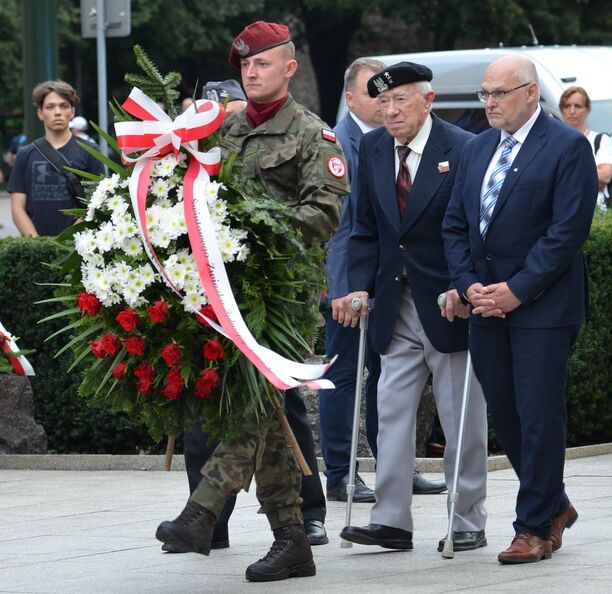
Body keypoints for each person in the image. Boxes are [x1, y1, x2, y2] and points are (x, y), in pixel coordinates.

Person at [156, 21, 347, 582]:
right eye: (244, 65)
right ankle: (292, 539)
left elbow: (324, 213)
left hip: (279, 298)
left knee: (258, 408)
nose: (250, 73)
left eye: (262, 64)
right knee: (257, 413)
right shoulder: (227, 131)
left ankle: (202, 509)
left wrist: (251, 232)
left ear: (289, 68)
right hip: (222, 295)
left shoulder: (315, 135)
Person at [443, 55, 596, 564]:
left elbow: (566, 232)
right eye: (485, 94)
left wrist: (518, 288)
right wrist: (468, 286)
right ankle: (554, 502)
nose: (488, 103)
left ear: (531, 93)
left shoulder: (567, 146)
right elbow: (456, 225)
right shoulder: (477, 147)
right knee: (506, 416)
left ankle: (532, 526)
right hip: (485, 307)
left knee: (538, 416)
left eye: (499, 93)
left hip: (542, 309)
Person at [338, 61, 489, 553]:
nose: (391, 109)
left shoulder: (463, 148)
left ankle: (466, 519)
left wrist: (464, 287)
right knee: (391, 409)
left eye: (401, 99)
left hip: (448, 303)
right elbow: (364, 227)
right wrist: (357, 285)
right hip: (394, 302)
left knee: (459, 414)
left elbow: (475, 229)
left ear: (429, 101)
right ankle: (391, 519)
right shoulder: (374, 146)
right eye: (383, 101)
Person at [319, 57, 384, 504]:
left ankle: (393, 467)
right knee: (343, 376)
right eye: (373, 91)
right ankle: (340, 474)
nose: (383, 100)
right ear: (350, 97)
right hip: (349, 287)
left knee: (385, 376)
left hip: (382, 281)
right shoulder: (340, 144)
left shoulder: (385, 141)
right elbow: (339, 226)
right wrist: (340, 289)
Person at [8, 81, 103, 237]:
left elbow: (96, 204)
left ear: (72, 112)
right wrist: (39, 245)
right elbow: (17, 207)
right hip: (36, 248)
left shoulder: (90, 152)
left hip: (77, 248)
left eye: (63, 106)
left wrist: (65, 244)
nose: (57, 112)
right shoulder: (25, 154)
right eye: (50, 107)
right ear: (40, 113)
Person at [559, 86, 612, 204]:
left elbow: (605, 176)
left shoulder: (600, 140)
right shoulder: (551, 141)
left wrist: (563, 175)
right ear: (561, 110)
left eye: (577, 106)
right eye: (567, 106)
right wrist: (591, 176)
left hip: (596, 208)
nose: (572, 111)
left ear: (587, 109)